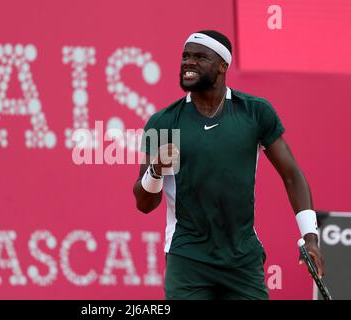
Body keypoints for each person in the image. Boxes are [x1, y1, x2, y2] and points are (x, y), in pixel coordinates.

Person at [132, 30, 324, 300]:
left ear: (223, 65)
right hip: (188, 259)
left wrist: (310, 236)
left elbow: (291, 175)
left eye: (200, 57)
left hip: (243, 259)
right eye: (186, 56)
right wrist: (155, 171)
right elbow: (144, 203)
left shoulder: (255, 112)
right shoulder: (163, 122)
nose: (189, 62)